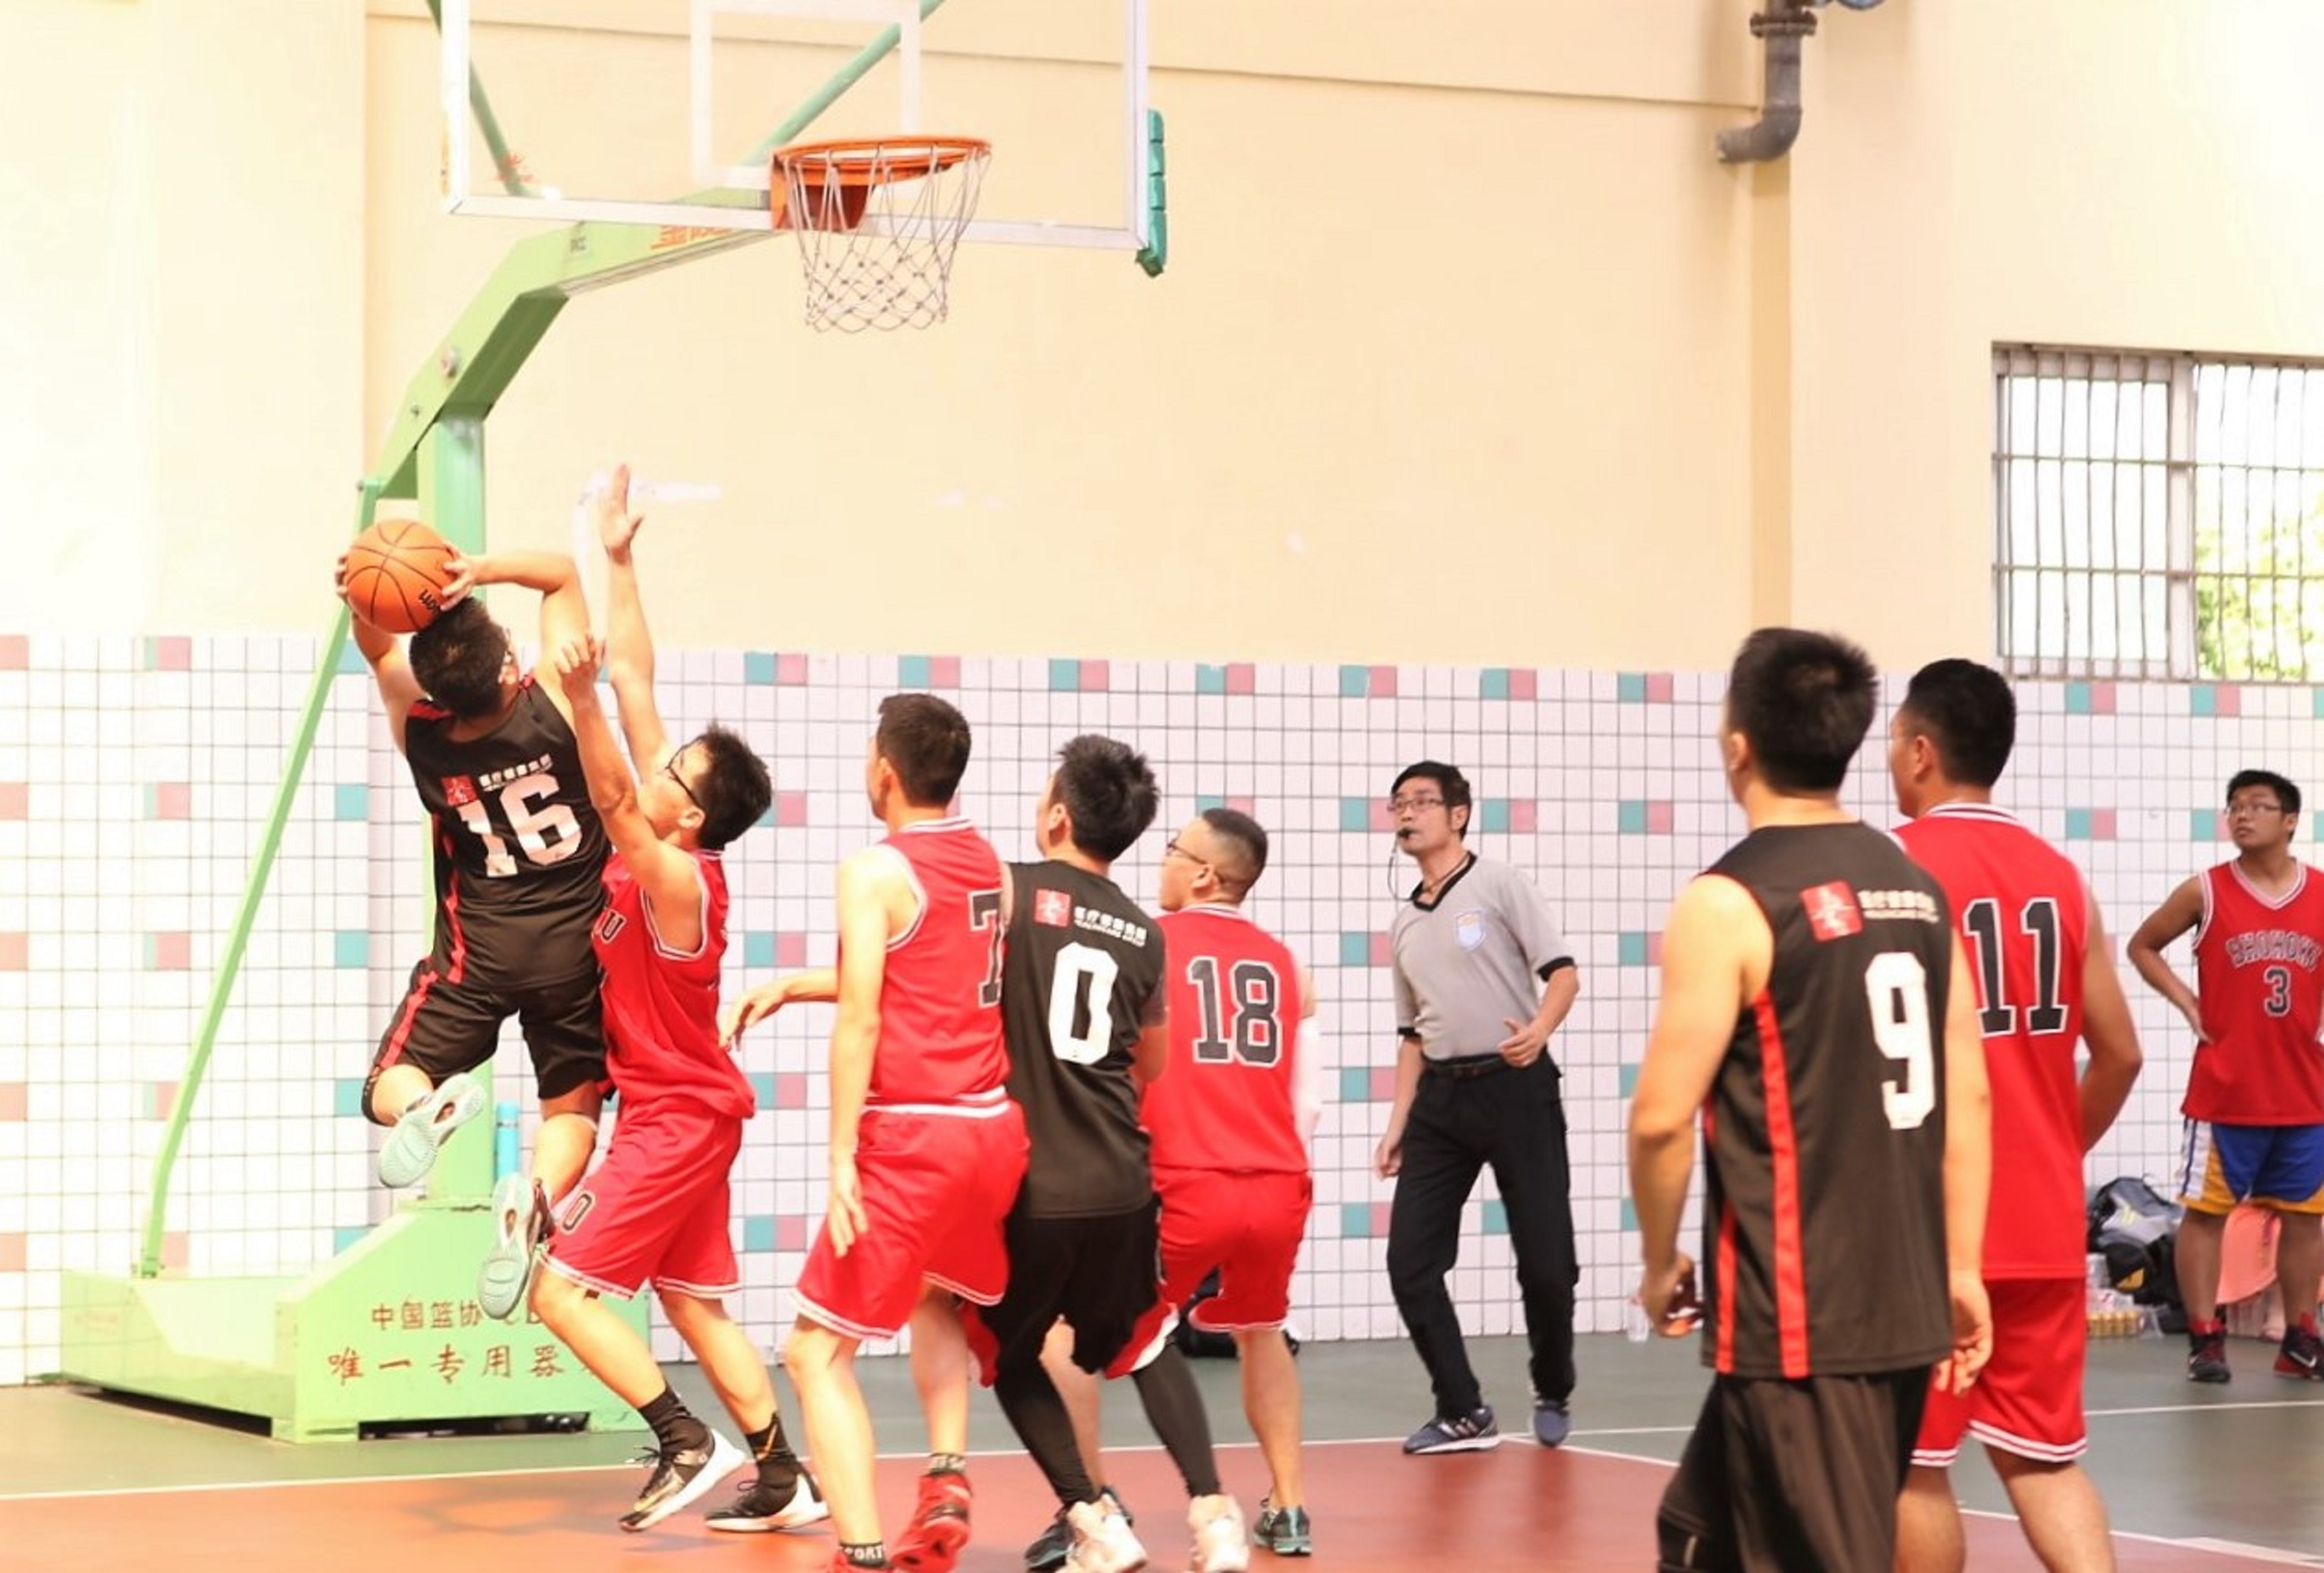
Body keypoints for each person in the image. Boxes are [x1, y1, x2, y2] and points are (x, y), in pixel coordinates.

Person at [1628, 628, 1992, 1573]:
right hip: (1902, 1294)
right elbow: (1969, 1094)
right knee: (1696, 1533)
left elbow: (1662, 1119)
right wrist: (1960, 1266)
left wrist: (1661, 1261)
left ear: (1737, 744)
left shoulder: (1730, 900)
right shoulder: (1916, 887)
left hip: (1802, 1313)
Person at [526, 467, 812, 1533]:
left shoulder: (678, 877)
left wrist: (579, 701)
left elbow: (612, 793)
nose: (659, 763)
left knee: (560, 1289)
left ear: (691, 816)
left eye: (675, 771)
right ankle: (783, 1475)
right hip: (681, 1110)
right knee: (693, 1302)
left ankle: (683, 1441)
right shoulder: (673, 817)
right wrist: (620, 559)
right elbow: (639, 677)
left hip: (678, 1118)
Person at [721, 693, 1029, 1573]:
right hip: (989, 1129)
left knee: (814, 1350)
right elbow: (927, 972)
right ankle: (946, 1475)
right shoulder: (993, 866)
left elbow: (863, 1015)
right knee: (937, 1297)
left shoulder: (874, 870)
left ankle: (859, 1553)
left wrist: (840, 1157)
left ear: (885, 772)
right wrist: (793, 984)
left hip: (917, 1137)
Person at [1886, 658, 2144, 1573]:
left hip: (1927, 1221)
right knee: (2043, 1460)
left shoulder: (1887, 867)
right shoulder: (2063, 878)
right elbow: (2121, 1052)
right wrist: (2052, 1147)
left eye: (1894, 740)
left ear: (1921, 751)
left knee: (1910, 1466)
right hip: (2040, 1218)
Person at [971, 737, 1248, 1573]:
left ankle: (1093, 1518)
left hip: (1036, 1181)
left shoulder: (1010, 890)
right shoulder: (1144, 931)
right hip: (1123, 1178)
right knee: (1144, 1341)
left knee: (1008, 1351)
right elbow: (1151, 1062)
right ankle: (1214, 1514)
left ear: (1057, 814)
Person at [1027, 808, 1322, 1568]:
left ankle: (1091, 1506)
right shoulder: (1287, 964)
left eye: (1171, 850)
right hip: (1278, 1184)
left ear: (1204, 874)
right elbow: (1309, 1100)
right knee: (1262, 1330)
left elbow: (1121, 1066)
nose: (1159, 861)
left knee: (1067, 1328)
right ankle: (1289, 1506)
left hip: (1184, 1180)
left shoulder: (1148, 943)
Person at [335, 536, 607, 1319]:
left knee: (384, 1085)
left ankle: (423, 1107)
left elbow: (378, 650)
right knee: (571, 1108)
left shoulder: (422, 733)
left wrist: (364, 593)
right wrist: (478, 570)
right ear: (510, 663)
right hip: (573, 954)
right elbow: (561, 573)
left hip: (476, 955)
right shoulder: (557, 702)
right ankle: (536, 1195)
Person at [1372, 759, 1581, 1453]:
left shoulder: (1499, 884)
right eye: (1398, 804)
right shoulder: (1405, 922)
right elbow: (1412, 1034)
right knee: (1410, 1261)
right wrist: (1397, 1125)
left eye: (1421, 802)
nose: (1406, 814)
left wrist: (1539, 1029)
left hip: (1517, 1087)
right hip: (1440, 1099)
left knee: (1546, 1262)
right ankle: (1462, 1408)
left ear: (1458, 814)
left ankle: (1553, 1385)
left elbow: (1563, 974)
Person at [2126, 768, 2324, 1383]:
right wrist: (2187, 1002)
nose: (2242, 815)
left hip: (2303, 1089)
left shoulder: (2320, 892)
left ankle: (2300, 1338)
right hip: (2224, 1091)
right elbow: (2142, 945)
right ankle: (2205, 1337)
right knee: (2206, 1215)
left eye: (2257, 805)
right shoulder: (2206, 891)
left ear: (2289, 821)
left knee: (2305, 1218)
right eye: (2235, 806)